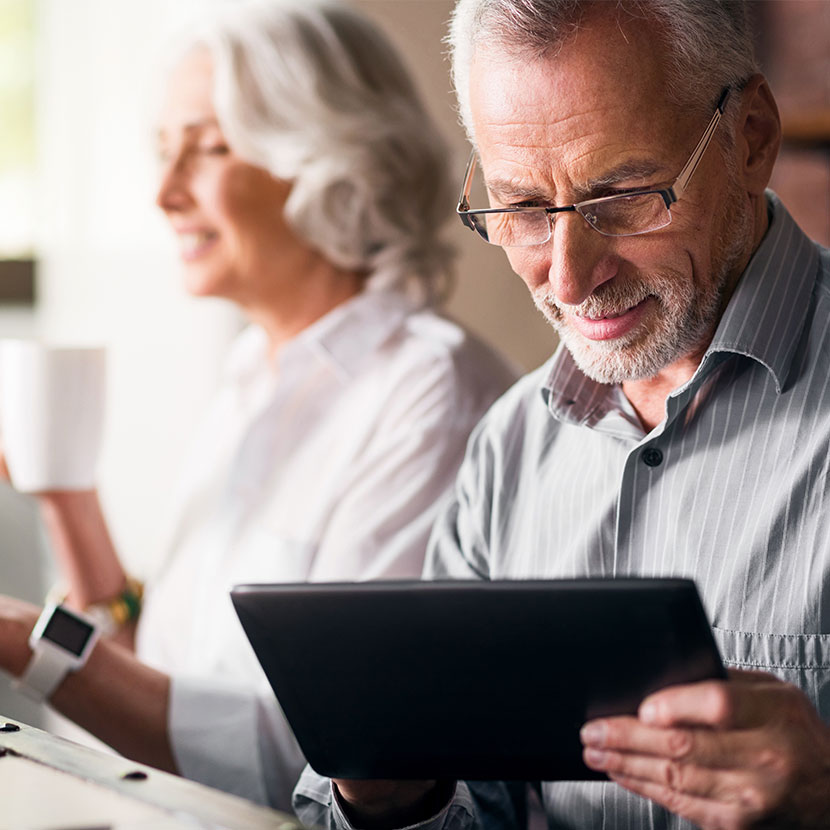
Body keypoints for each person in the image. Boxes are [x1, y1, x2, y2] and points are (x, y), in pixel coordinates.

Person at [291, 1, 830, 828]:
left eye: (622, 197)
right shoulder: (509, 449)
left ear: (751, 137)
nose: (570, 278)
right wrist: (393, 798)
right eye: (522, 209)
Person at [0, 0, 516, 811]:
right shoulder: (253, 370)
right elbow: (166, 684)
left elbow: (327, 764)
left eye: (208, 148)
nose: (165, 192)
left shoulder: (430, 398)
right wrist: (64, 493)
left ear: (330, 158)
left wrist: (19, 641)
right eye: (163, 152)